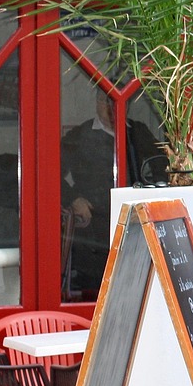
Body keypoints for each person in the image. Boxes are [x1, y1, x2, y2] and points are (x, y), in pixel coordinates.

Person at [61, 92, 118, 298]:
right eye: (105, 101)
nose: (110, 108)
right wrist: (73, 199)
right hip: (93, 231)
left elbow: (158, 169)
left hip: (132, 223)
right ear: (96, 103)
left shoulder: (137, 132)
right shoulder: (79, 135)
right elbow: (50, 171)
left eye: (115, 102)